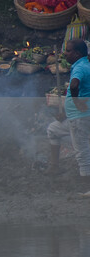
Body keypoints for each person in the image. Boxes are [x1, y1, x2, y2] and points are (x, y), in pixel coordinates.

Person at [63, 39, 90, 179]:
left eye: (68, 50)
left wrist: (77, 103)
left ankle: (86, 181)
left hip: (79, 116)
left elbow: (74, 86)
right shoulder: (85, 64)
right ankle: (54, 167)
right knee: (53, 130)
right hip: (78, 116)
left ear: (77, 53)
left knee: (82, 150)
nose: (65, 53)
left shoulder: (79, 68)